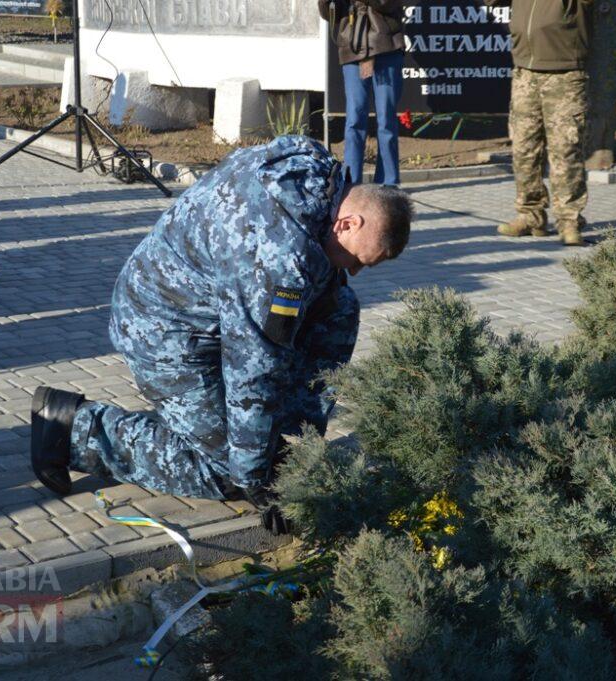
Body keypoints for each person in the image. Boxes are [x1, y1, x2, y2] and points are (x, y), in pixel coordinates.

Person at [29, 135, 413, 535]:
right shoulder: (277, 257)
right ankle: (74, 429)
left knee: (341, 307)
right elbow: (253, 371)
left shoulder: (313, 169)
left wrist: (287, 453)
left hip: (210, 314)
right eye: (357, 258)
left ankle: (288, 442)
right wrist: (256, 478)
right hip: (164, 333)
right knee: (227, 472)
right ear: (348, 223)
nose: (354, 270)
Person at [485, 0, 593, 247]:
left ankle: (569, 221)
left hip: (565, 74)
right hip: (525, 72)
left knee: (566, 151)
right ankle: (530, 215)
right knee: (523, 149)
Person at [319, 0, 405, 186]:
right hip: (352, 49)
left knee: (386, 119)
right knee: (355, 118)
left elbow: (386, 4)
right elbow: (329, 15)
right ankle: (351, 183)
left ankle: (388, 184)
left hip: (386, 48)